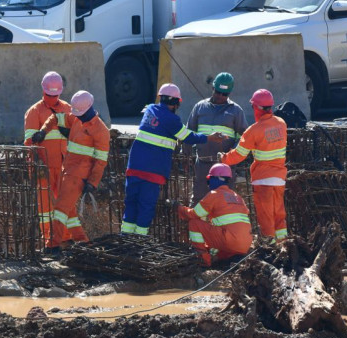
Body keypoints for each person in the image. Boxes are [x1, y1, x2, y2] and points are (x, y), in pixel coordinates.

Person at [121, 83, 226, 235]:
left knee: (131, 203)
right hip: (153, 171)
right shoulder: (172, 120)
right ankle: (138, 240)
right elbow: (188, 137)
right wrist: (210, 137)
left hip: (134, 167)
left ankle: (125, 237)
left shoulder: (149, 110)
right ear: (176, 102)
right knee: (146, 206)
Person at [32, 90, 109, 251]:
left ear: (88, 109)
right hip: (67, 170)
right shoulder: (76, 119)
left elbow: (100, 161)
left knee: (60, 209)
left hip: (77, 176)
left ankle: (53, 245)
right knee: (69, 211)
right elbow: (56, 117)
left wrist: (93, 182)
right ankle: (83, 241)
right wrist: (43, 132)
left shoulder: (101, 131)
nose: (78, 116)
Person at [219, 89, 288, 243]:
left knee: (266, 217)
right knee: (279, 214)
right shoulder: (281, 124)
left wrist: (223, 159)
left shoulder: (253, 131)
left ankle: (270, 248)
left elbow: (239, 155)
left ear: (256, 108)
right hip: (279, 179)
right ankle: (284, 245)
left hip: (263, 179)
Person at [24, 71, 72, 245]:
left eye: (55, 95)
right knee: (45, 207)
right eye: (48, 95)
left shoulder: (67, 109)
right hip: (43, 166)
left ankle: (66, 238)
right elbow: (29, 143)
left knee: (65, 204)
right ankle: (50, 240)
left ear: (60, 92)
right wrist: (37, 166)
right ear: (43, 91)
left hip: (64, 166)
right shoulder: (34, 112)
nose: (52, 98)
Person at [185, 72, 248, 204]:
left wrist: (232, 154)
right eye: (218, 92)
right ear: (213, 88)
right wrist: (185, 154)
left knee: (223, 202)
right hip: (202, 165)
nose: (220, 96)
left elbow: (244, 137)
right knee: (198, 200)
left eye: (224, 94)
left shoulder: (235, 111)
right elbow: (189, 133)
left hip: (225, 167)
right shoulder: (199, 107)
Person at [173, 164, 252, 266]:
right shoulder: (237, 197)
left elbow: (193, 214)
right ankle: (221, 259)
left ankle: (203, 259)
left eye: (209, 180)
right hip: (244, 245)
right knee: (221, 252)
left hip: (229, 241)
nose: (208, 184)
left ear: (215, 179)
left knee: (194, 224)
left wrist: (178, 208)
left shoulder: (214, 194)